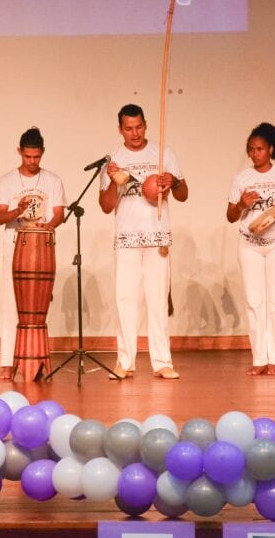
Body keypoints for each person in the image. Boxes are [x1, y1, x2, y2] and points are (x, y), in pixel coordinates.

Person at [99, 104, 188, 380]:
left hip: (157, 235)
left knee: (158, 299)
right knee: (125, 299)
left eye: (139, 127)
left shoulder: (163, 153)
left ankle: (162, 361)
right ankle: (124, 361)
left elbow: (183, 194)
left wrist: (173, 182)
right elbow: (105, 205)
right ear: (120, 130)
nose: (135, 133)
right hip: (127, 237)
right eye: (129, 128)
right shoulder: (113, 159)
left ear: (146, 125)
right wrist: (113, 181)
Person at [226, 122, 275, 377]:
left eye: (259, 149)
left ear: (271, 149)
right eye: (251, 149)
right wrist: (242, 204)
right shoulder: (241, 179)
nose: (254, 153)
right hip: (249, 243)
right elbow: (230, 216)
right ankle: (259, 358)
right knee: (254, 301)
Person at [0, 127, 66, 380]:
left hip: (41, 247)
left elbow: (59, 214)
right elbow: (0, 217)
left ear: (42, 153)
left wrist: (49, 226)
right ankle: (7, 363)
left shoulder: (52, 180)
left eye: (36, 157)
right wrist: (18, 210)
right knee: (11, 303)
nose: (32, 161)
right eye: (27, 157)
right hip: (15, 246)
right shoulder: (7, 181)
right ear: (19, 152)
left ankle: (37, 360)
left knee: (39, 306)